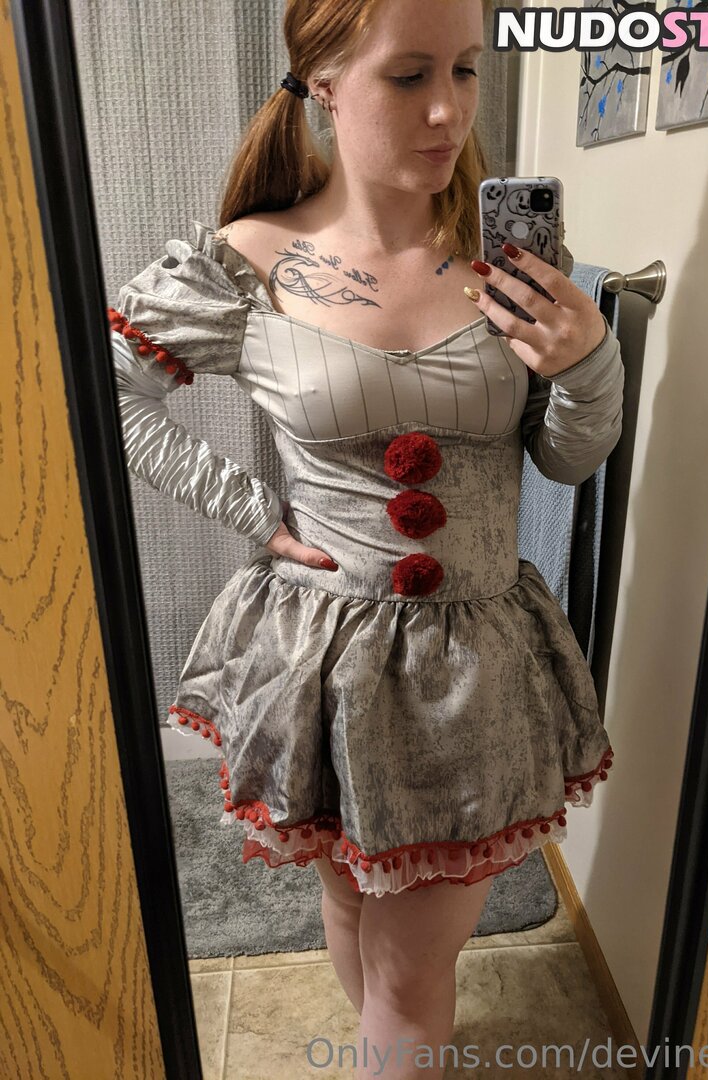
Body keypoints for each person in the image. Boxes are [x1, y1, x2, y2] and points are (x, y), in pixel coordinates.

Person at [108, 0, 624, 1075]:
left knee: (409, 979)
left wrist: (589, 365)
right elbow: (103, 396)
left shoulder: (506, 260)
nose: (449, 111)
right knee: (349, 899)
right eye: (408, 75)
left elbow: (568, 460)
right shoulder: (249, 260)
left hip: (470, 672)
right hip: (321, 662)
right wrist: (252, 511)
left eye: (467, 70)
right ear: (325, 83)